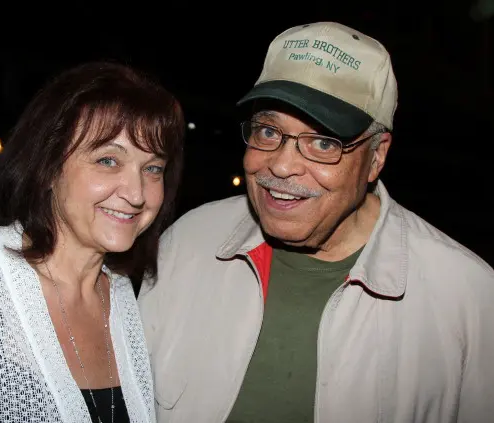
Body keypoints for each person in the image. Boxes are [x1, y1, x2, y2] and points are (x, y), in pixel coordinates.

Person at [138, 21, 494, 423]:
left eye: (324, 142)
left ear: (376, 156)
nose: (283, 165)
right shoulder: (188, 242)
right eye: (269, 131)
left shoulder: (467, 298)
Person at [0, 61, 185, 423]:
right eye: (108, 160)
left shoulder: (119, 295)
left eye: (153, 168)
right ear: (49, 167)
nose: (136, 193)